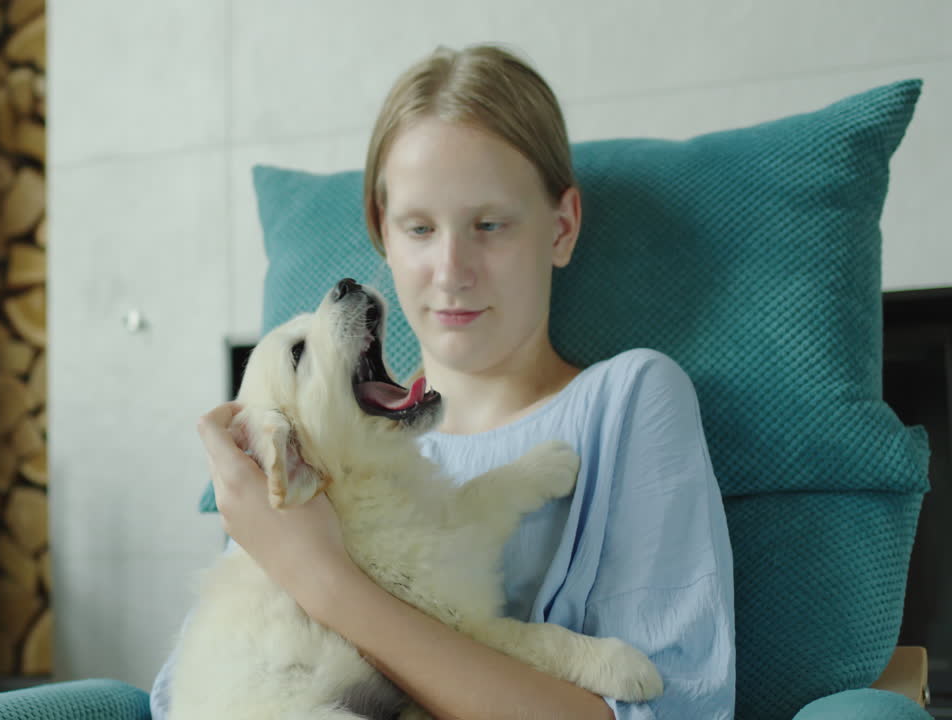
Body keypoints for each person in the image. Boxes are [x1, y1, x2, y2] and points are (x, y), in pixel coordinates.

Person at [152, 44, 736, 719]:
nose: (452, 270)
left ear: (562, 227)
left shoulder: (629, 401)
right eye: (419, 227)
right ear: (381, 232)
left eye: (490, 225)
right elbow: (185, 699)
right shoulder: (316, 438)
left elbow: (673, 711)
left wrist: (324, 579)